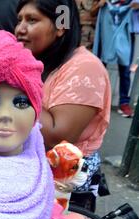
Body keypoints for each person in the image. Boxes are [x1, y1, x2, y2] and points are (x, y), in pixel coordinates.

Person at [15, 0, 111, 208]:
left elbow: (57, 137)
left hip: (64, 184)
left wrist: (16, 84)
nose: (20, 29)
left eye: (32, 20)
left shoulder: (84, 68)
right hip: (32, 173)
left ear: (60, 26)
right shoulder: (41, 61)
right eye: (19, 19)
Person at [93, 0, 134, 118]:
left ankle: (124, 103)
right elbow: (91, 12)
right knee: (99, 68)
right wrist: (99, 5)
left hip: (126, 33)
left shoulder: (131, 4)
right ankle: (95, 101)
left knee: (125, 70)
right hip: (107, 33)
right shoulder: (105, 4)